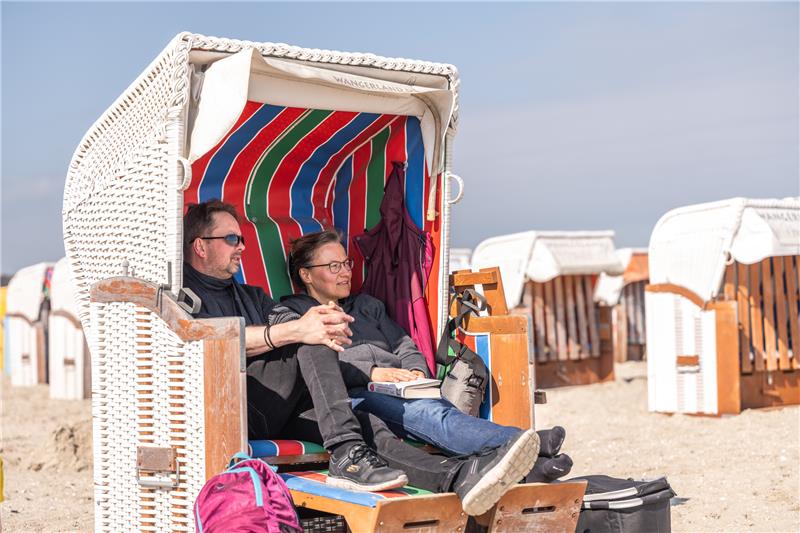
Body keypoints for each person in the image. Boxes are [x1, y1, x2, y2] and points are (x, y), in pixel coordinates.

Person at [182, 200, 539, 516]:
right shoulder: (184, 295)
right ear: (200, 246)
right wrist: (300, 331)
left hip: (286, 406)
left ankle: (457, 477)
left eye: (242, 239)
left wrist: (305, 327)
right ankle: (348, 452)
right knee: (314, 335)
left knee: (366, 422)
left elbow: (290, 325)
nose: (241, 247)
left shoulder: (253, 295)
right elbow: (210, 342)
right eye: (232, 239)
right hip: (232, 409)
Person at [282, 228, 573, 483]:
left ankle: (533, 468)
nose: (346, 272)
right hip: (352, 393)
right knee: (432, 415)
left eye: (346, 263)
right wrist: (371, 372)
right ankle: (524, 442)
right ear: (306, 274)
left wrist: (417, 372)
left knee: (438, 410)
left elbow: (404, 344)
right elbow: (310, 365)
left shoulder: (367, 305)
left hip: (403, 385)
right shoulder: (295, 316)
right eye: (334, 266)